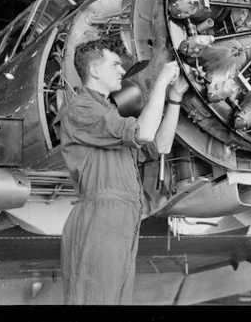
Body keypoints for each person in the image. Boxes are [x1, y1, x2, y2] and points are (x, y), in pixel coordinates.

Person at [58, 38, 188, 304]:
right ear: (94, 70)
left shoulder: (110, 114)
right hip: (100, 216)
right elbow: (145, 131)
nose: (121, 70)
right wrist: (161, 82)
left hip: (123, 218)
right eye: (115, 64)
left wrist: (174, 98)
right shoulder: (82, 108)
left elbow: (160, 145)